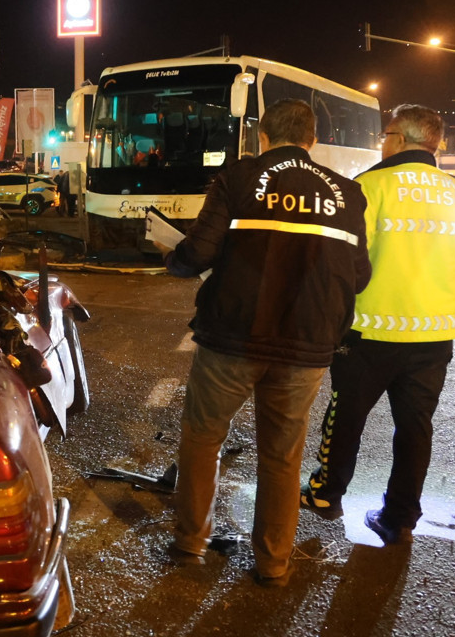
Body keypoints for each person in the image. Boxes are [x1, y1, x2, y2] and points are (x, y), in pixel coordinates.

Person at [157, 99, 371, 586]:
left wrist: (172, 256)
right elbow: (358, 276)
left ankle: (191, 540)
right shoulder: (347, 193)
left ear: (263, 135)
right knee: (281, 455)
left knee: (203, 437)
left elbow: (199, 252)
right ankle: (274, 563)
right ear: (312, 139)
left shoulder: (238, 177)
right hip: (308, 345)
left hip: (234, 336)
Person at [301, 105, 455, 545]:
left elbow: (342, 258)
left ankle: (326, 494)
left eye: (385, 134)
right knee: (416, 425)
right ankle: (400, 515)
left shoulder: (367, 185)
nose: (382, 142)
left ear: (399, 140)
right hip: (436, 331)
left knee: (345, 414)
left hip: (371, 329)